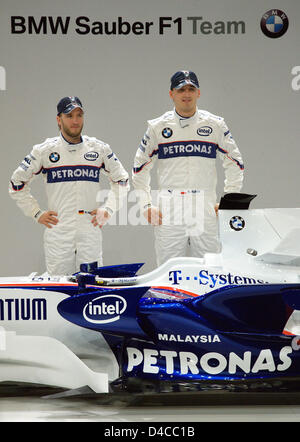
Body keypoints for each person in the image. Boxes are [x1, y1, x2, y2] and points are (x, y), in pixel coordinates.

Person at [132, 70, 244, 266]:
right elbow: (139, 168)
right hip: (170, 207)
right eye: (181, 89)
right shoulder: (158, 127)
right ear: (171, 94)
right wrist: (145, 205)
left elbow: (235, 162)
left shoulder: (215, 124)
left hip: (204, 205)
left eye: (191, 89)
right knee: (168, 272)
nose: (186, 94)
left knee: (212, 269)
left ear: (198, 93)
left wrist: (229, 201)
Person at [9, 96, 129, 275]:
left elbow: (122, 181)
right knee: (59, 286)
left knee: (91, 285)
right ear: (59, 119)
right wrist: (36, 212)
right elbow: (16, 183)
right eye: (69, 116)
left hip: (89, 229)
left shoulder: (99, 149)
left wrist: (109, 209)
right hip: (59, 230)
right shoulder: (44, 151)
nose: (75, 121)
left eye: (79, 115)